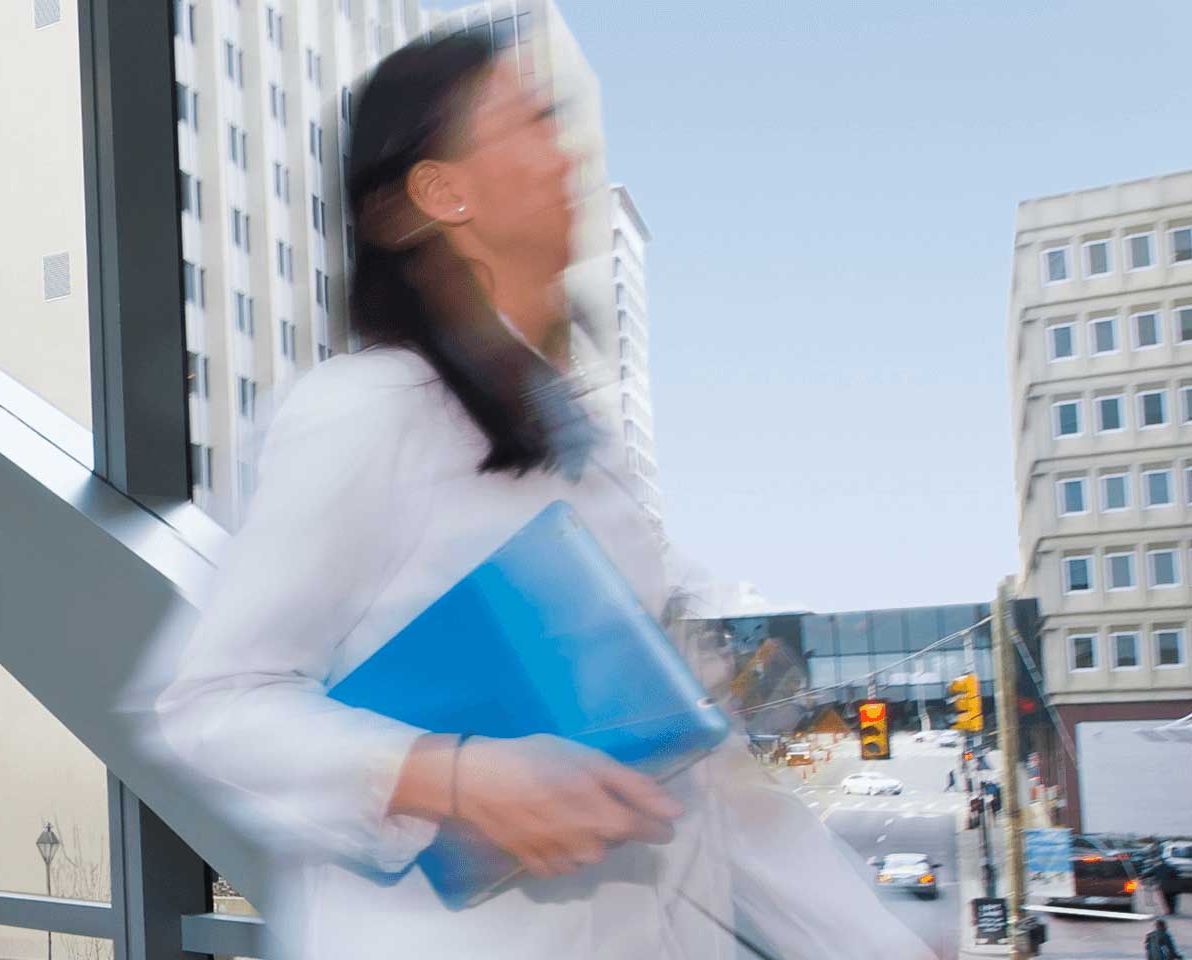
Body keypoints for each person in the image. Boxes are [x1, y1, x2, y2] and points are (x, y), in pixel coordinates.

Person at [139, 22, 927, 960]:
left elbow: (714, 792)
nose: (569, 152)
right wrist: (455, 779)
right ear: (442, 191)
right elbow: (214, 707)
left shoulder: (586, 456)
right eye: (532, 123)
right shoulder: (368, 413)